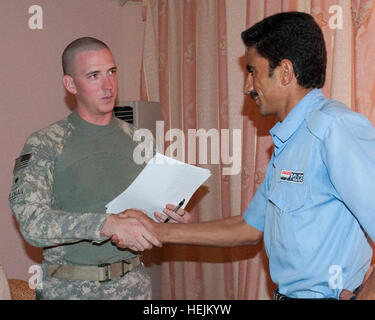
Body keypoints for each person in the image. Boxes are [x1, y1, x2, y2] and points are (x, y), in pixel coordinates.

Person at [125, 12, 375, 300]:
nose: (247, 86)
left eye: (253, 71)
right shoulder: (291, 140)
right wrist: (156, 231)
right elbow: (249, 227)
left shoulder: (335, 128)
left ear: (285, 72)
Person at [8, 37, 190, 300]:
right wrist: (106, 224)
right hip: (71, 290)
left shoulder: (139, 139)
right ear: (71, 84)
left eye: (112, 72)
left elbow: (147, 212)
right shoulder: (45, 143)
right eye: (94, 75)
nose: (108, 85)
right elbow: (33, 223)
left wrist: (171, 218)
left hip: (134, 286)